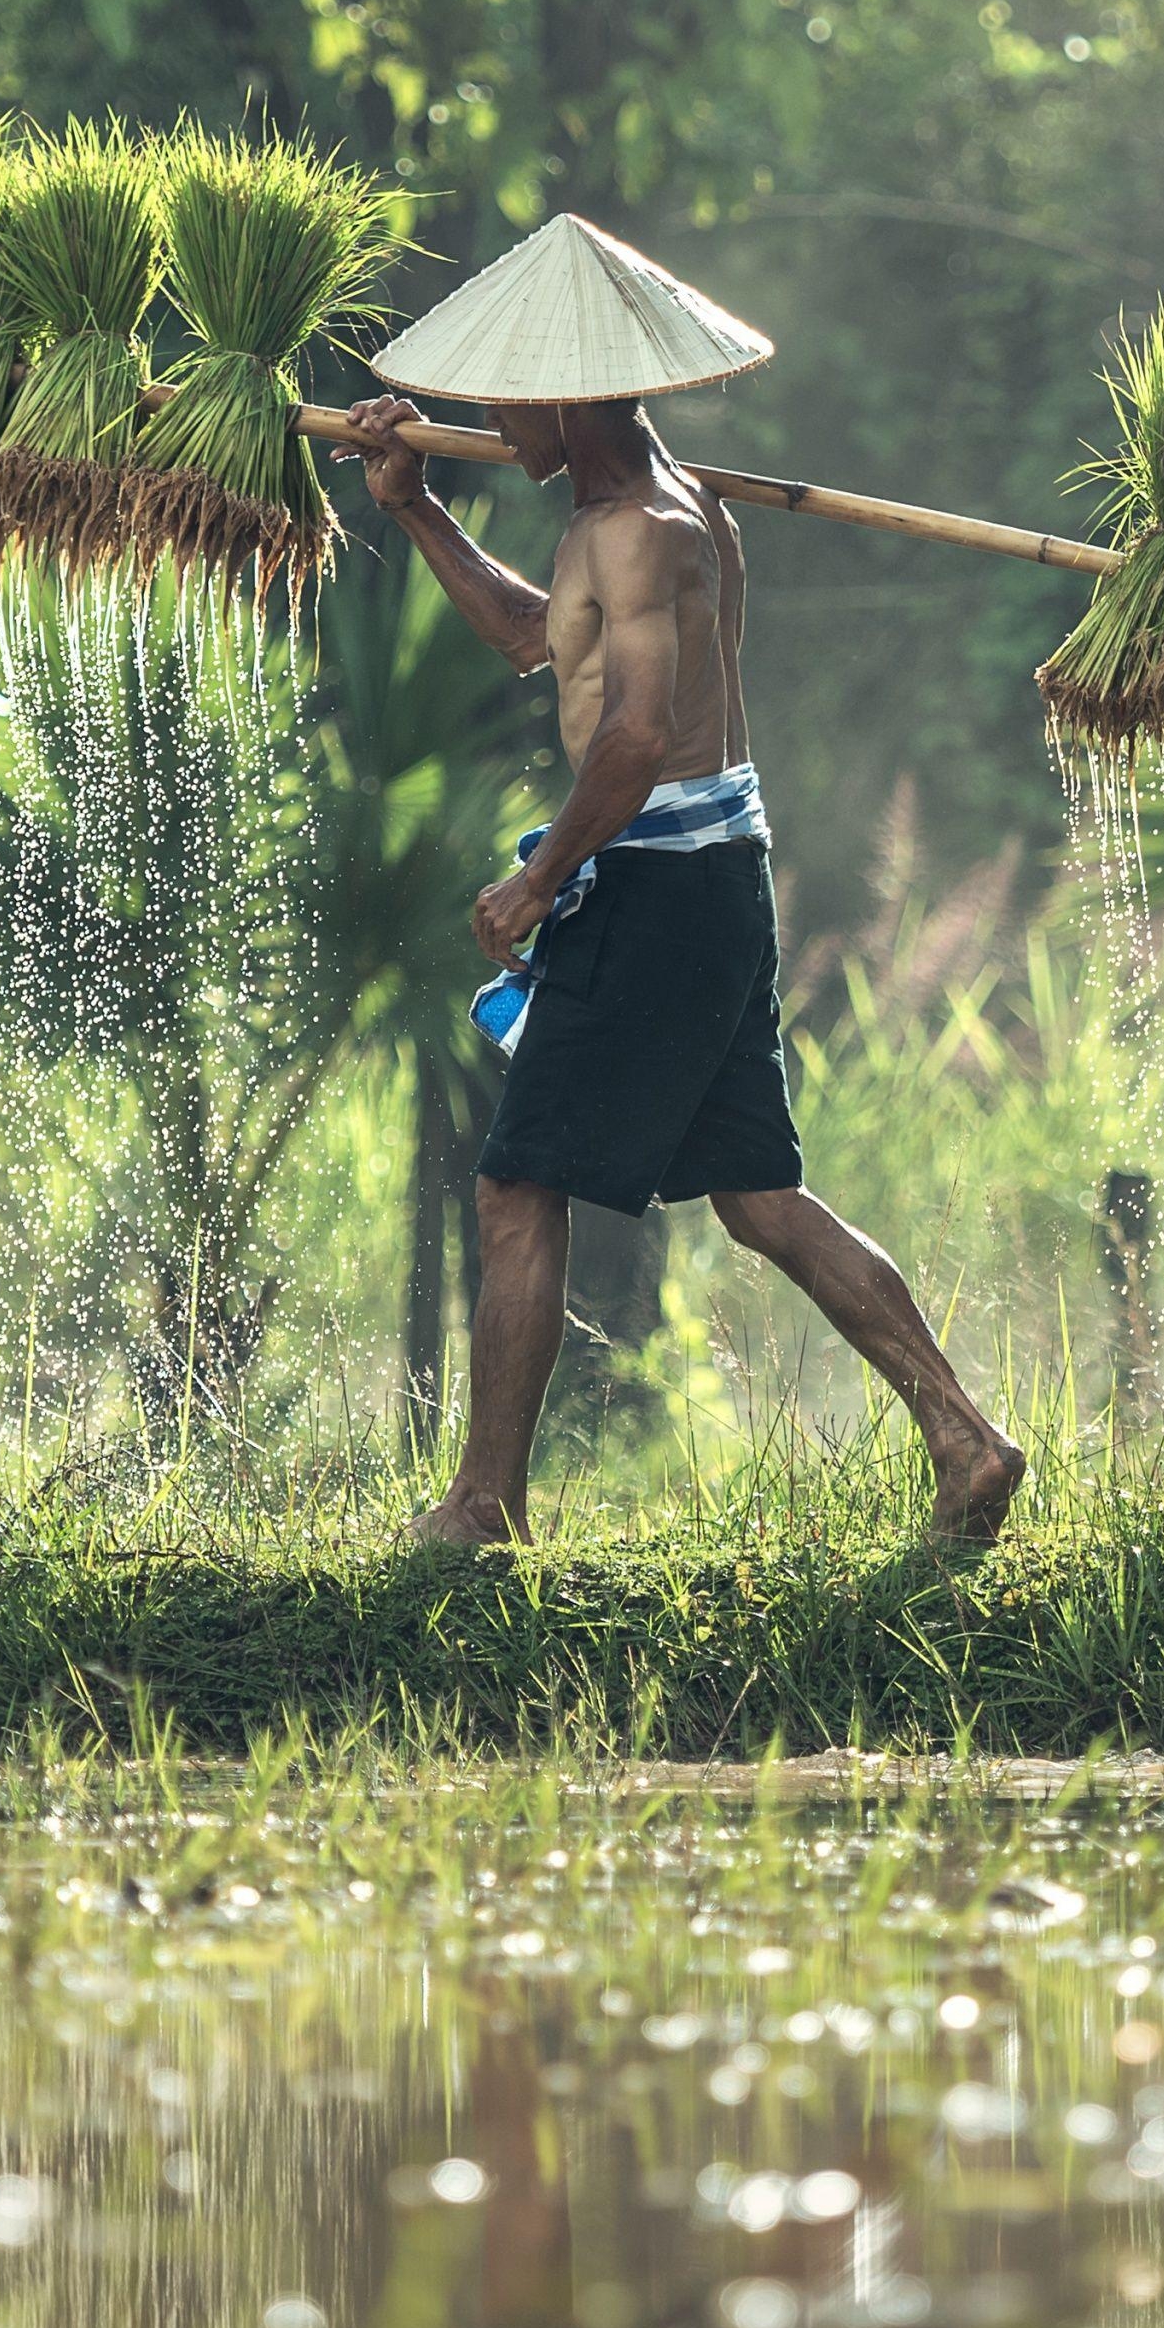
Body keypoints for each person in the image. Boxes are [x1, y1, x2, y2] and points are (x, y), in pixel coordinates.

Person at [334, 215, 1032, 1548]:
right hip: (714, 876)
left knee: (516, 1189)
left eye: (507, 391)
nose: (490, 413)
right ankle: (965, 1436)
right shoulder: (656, 513)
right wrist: (414, 504)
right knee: (759, 1196)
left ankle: (482, 1506)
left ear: (565, 393)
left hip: (654, 887)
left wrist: (539, 878)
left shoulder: (642, 529)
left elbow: (639, 738)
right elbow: (540, 643)